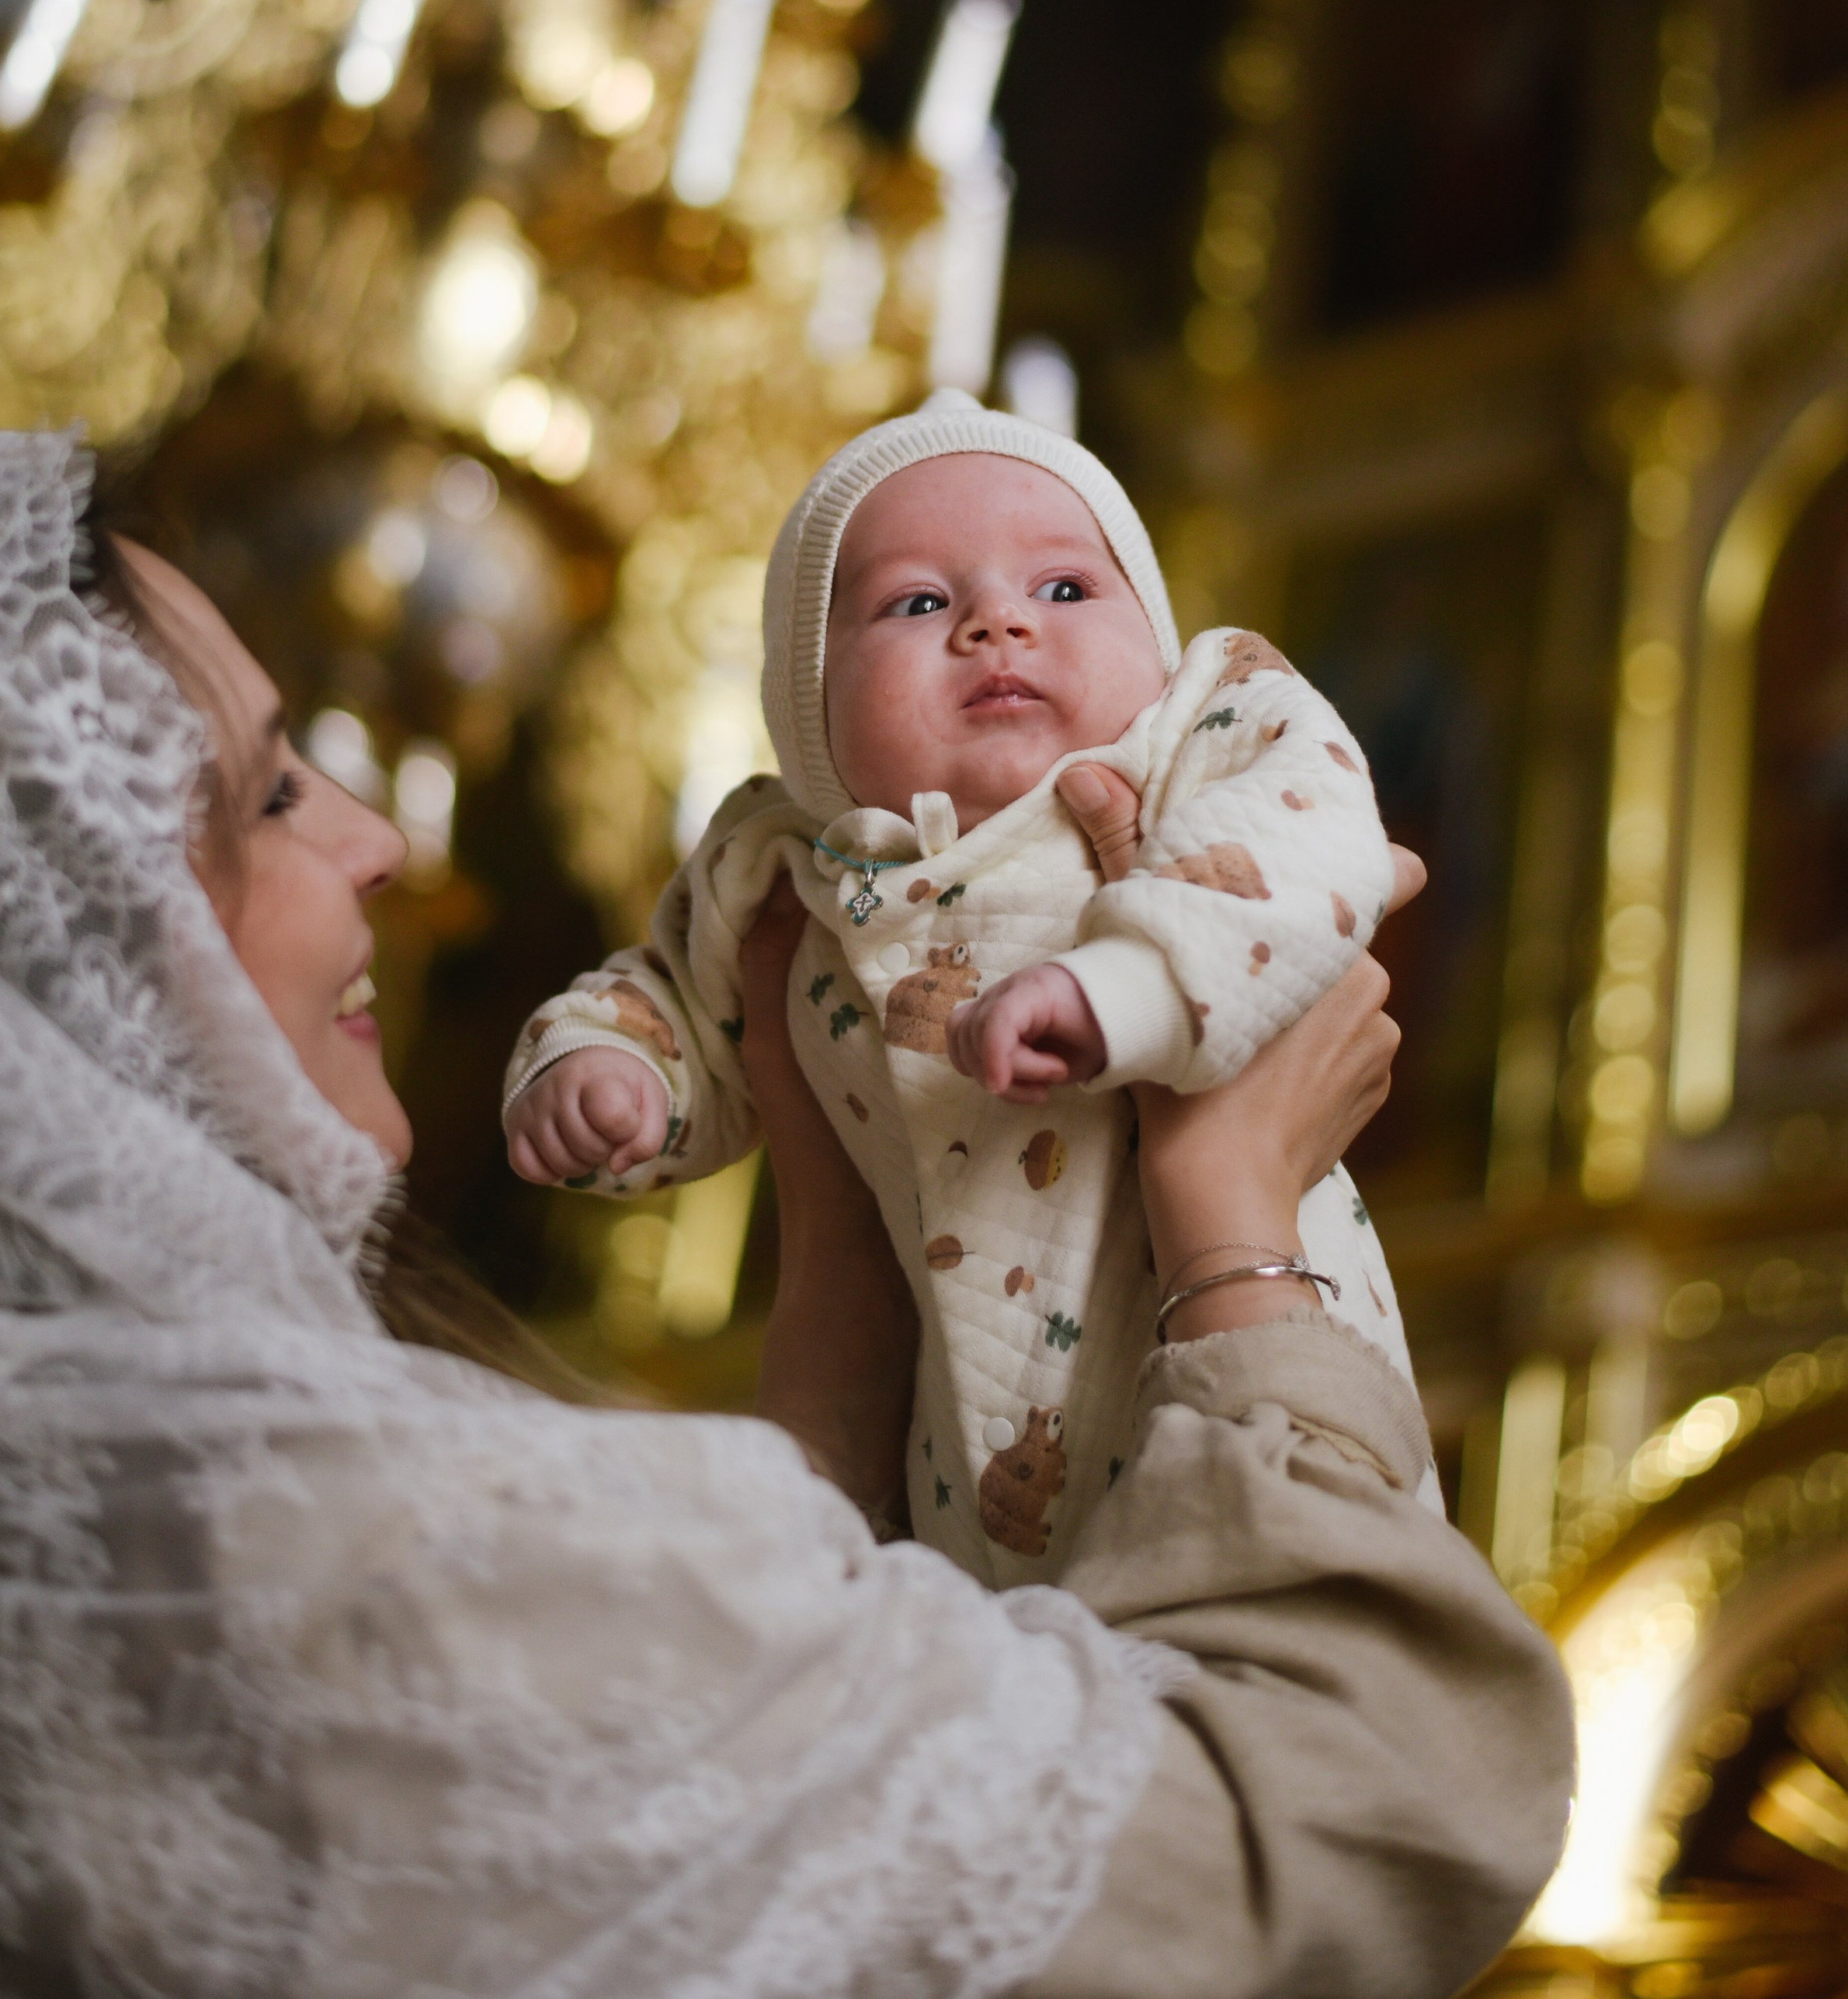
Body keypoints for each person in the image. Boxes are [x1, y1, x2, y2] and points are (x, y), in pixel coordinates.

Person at [0, 428, 1572, 1997]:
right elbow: (1354, 1817)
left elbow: (808, 1723)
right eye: (273, 792)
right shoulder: (325, 1535)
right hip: (1071, 1471)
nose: (379, 840)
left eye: (1067, 591)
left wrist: (894, 1163)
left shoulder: (65, 1498)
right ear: (76, 929)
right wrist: (1228, 1200)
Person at [504, 395, 1433, 1580]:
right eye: (919, 603)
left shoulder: (1204, 731)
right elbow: (670, 998)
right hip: (955, 1489)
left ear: (1154, 643)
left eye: (1063, 591)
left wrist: (1129, 990)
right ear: (808, 704)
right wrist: (609, 1069)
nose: (998, 624)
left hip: (1256, 1368)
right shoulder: (778, 862)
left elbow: (1312, 847)